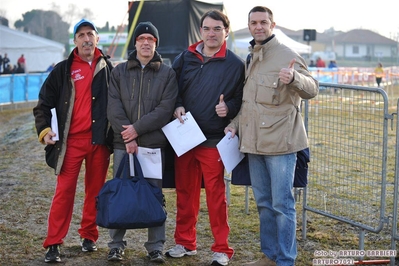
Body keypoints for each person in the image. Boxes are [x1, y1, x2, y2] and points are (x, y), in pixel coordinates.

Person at [225, 6, 318, 266]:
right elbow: (249, 103)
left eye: (263, 22)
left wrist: (295, 77)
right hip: (254, 144)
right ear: (249, 26)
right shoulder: (251, 57)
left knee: (282, 205)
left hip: (281, 144)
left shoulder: (287, 55)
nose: (259, 27)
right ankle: (270, 256)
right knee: (264, 204)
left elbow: (312, 89)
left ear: (272, 25)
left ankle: (286, 260)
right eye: (254, 22)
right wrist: (234, 124)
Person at [165, 9, 245, 266]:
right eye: (207, 29)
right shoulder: (185, 57)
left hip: (212, 140)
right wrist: (176, 104)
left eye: (217, 29)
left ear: (226, 32)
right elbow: (171, 88)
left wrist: (228, 109)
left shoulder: (235, 64)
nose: (212, 34)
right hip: (185, 137)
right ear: (200, 31)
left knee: (215, 196)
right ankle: (185, 243)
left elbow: (240, 99)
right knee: (185, 193)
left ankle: (221, 248)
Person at [33, 18, 114, 263]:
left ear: (98, 38)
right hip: (70, 143)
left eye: (91, 34)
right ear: (75, 40)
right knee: (64, 192)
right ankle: (54, 243)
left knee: (95, 192)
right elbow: (43, 105)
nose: (87, 38)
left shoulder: (110, 68)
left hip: (99, 142)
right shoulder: (62, 69)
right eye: (82, 35)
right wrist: (45, 130)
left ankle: (89, 236)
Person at [106, 21, 178, 264]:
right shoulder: (119, 71)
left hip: (153, 145)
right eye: (141, 38)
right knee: (121, 192)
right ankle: (116, 245)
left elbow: (165, 109)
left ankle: (155, 246)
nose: (146, 42)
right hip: (122, 144)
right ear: (135, 42)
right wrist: (128, 135)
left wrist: (136, 130)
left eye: (151, 39)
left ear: (156, 43)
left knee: (154, 195)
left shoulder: (168, 73)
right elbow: (113, 106)